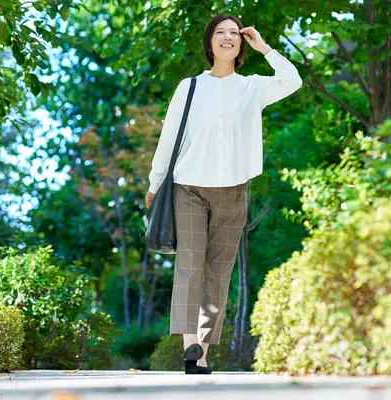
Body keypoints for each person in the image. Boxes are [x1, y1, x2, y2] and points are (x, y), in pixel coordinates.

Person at [145, 14, 303, 374]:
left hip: (233, 190)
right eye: (220, 32)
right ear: (210, 42)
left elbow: (293, 80)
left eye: (235, 33)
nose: (228, 37)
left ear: (242, 43)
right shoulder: (189, 87)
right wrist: (155, 184)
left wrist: (265, 48)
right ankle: (190, 346)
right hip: (188, 188)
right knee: (189, 266)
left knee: (219, 271)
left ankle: (202, 354)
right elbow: (169, 137)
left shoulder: (253, 88)